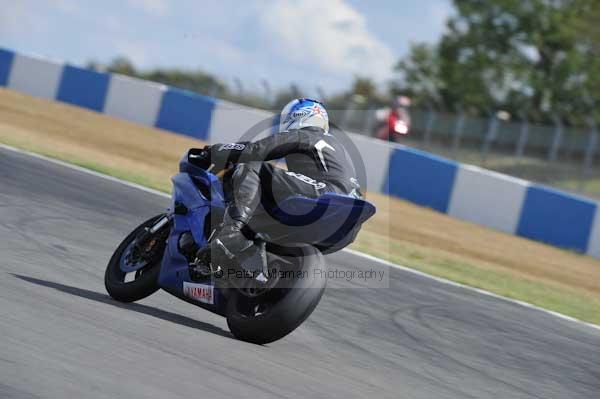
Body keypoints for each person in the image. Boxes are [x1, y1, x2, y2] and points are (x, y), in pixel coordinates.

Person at [192, 98, 362, 269]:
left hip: (326, 193)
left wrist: (212, 152)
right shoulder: (335, 144)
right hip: (349, 224)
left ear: (297, 117)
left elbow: (255, 150)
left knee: (251, 166)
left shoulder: (305, 133)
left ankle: (231, 233)